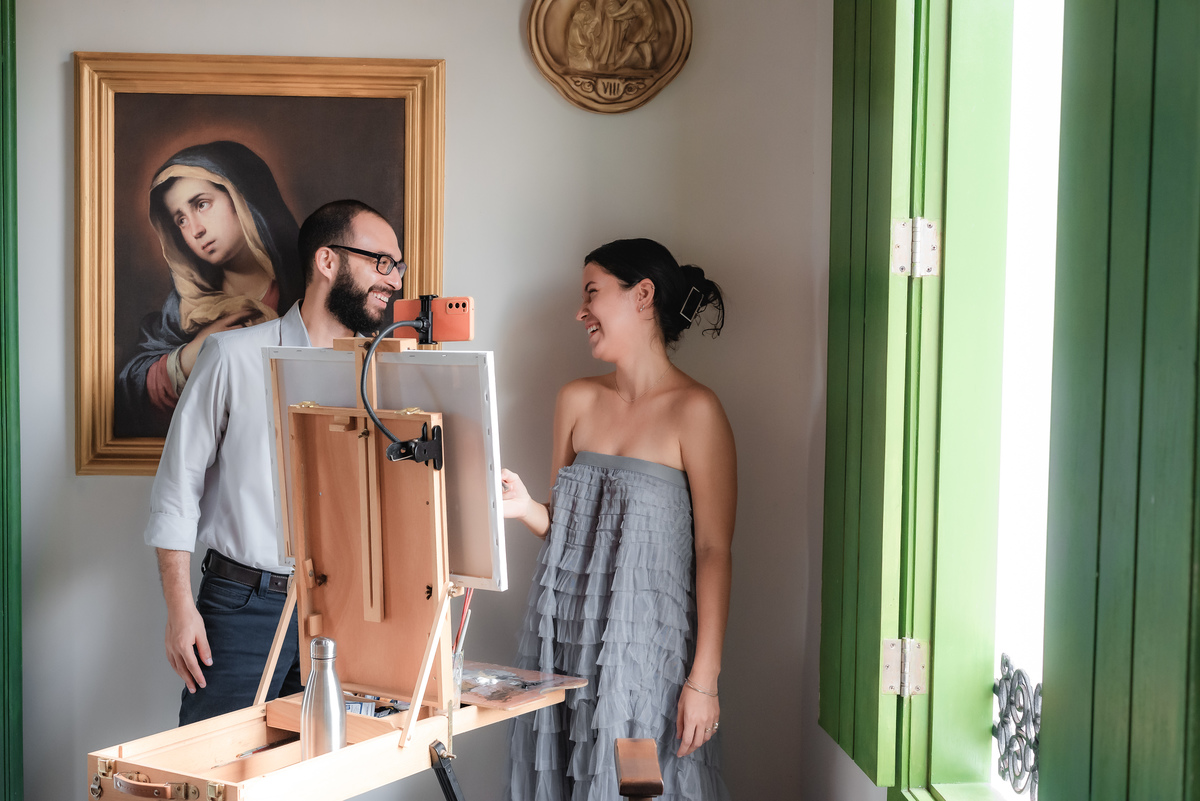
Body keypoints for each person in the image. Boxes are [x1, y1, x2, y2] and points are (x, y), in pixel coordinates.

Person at [145, 199, 406, 726]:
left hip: (341, 611)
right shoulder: (232, 357)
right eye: (381, 263)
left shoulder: (383, 379)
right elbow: (177, 488)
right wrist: (179, 608)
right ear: (327, 262)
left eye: (397, 267)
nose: (394, 281)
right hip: (241, 608)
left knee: (315, 777)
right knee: (218, 772)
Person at [502, 238, 735, 800]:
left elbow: (714, 552)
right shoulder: (575, 400)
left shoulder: (696, 411)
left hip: (646, 659)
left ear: (643, 295)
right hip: (561, 641)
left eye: (592, 294)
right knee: (561, 782)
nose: (580, 313)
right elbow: (567, 527)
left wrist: (704, 680)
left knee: (636, 790)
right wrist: (525, 507)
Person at [116, 141, 304, 437]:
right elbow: (130, 395)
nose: (195, 230)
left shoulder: (305, 290)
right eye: (181, 219)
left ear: (241, 195)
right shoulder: (181, 311)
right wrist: (186, 359)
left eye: (201, 204)